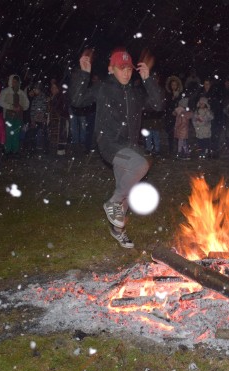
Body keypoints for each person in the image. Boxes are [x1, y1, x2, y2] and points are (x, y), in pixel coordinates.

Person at [69, 48, 163, 248]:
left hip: (129, 146)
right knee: (141, 164)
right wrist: (83, 74)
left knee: (129, 188)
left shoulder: (135, 92)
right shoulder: (103, 87)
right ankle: (112, 203)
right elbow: (77, 100)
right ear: (111, 69)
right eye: (122, 68)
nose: (127, 72)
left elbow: (158, 104)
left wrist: (148, 79)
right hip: (109, 144)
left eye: (129, 68)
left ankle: (117, 230)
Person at [0, 74, 29, 157]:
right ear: (10, 81)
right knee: (8, 134)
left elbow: (27, 104)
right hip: (9, 116)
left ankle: (15, 151)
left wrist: (22, 107)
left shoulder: (21, 93)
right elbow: (1, 102)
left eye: (16, 82)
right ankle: (7, 151)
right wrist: (11, 107)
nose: (15, 83)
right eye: (13, 81)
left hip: (18, 117)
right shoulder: (5, 91)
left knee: (16, 134)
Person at [164, 75, 183, 156]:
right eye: (172, 85)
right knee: (171, 133)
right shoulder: (168, 94)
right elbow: (167, 105)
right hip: (170, 117)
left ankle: (179, 150)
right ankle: (171, 149)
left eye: (175, 85)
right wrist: (172, 99)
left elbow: (182, 105)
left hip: (179, 117)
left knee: (179, 133)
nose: (173, 86)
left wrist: (177, 111)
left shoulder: (181, 95)